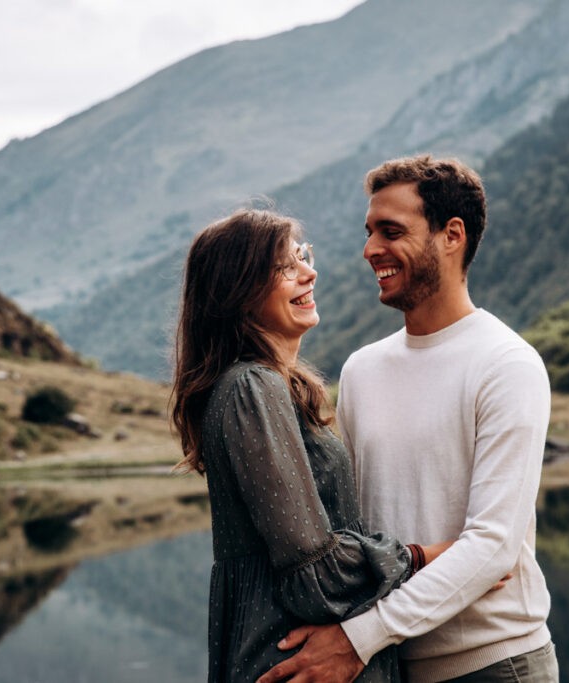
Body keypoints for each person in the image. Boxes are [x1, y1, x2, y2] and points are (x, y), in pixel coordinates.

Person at [257, 155, 558, 683]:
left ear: (452, 235)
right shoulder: (361, 370)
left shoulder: (507, 364)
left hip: (493, 665)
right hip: (387, 665)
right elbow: (349, 528)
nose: (371, 249)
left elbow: (493, 548)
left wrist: (358, 639)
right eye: (369, 232)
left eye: (391, 231)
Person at [171, 208, 459, 682]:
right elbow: (317, 575)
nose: (309, 272)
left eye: (303, 256)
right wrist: (427, 557)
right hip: (293, 659)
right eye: (284, 267)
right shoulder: (252, 387)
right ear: (237, 291)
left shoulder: (264, 387)